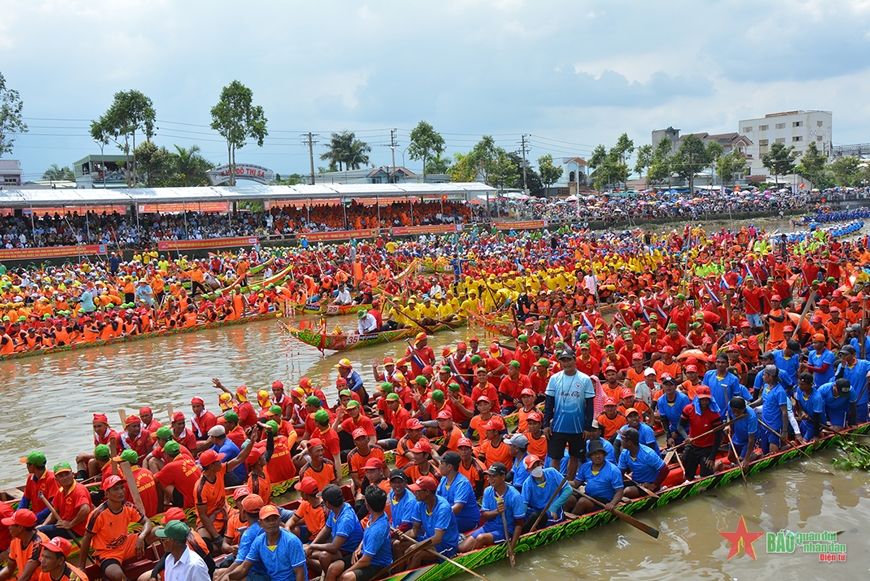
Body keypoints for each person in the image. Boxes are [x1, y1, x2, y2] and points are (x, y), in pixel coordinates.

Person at [79, 476, 154, 581]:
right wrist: (82, 566)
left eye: (122, 488)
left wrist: (141, 538)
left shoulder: (128, 506)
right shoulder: (98, 514)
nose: (121, 492)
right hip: (107, 553)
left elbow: (147, 523)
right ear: (107, 494)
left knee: (158, 531)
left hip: (126, 544)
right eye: (116, 489)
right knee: (117, 575)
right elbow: (86, 539)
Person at [544, 347, 596, 482]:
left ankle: (570, 483)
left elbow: (589, 405)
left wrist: (588, 427)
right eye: (563, 361)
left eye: (569, 360)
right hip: (557, 426)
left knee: (574, 456)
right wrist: (545, 424)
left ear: (575, 360)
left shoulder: (585, 379)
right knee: (555, 457)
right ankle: (553, 483)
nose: (566, 363)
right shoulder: (554, 378)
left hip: (578, 427)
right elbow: (548, 404)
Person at [457, 463, 525, 552]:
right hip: (490, 526)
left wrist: (512, 547)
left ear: (503, 477)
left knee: (481, 538)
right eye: (489, 476)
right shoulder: (487, 491)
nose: (489, 479)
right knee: (461, 548)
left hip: (506, 529)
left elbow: (519, 524)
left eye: (493, 476)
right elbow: (484, 515)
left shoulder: (515, 496)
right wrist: (497, 511)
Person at [227, 506, 307, 581]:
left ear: (280, 520)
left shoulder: (291, 541)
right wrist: (228, 576)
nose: (271, 523)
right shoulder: (259, 541)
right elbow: (244, 567)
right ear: (260, 523)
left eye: (274, 519)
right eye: (267, 520)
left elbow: (300, 573)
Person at [331, 486, 392, 581]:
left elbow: (365, 561)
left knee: (347, 577)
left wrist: (345, 573)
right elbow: (366, 536)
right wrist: (359, 547)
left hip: (378, 565)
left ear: (367, 505)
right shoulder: (376, 515)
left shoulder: (377, 530)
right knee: (333, 568)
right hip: (365, 555)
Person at [398, 475, 459, 568]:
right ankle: (398, 573)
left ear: (427, 492)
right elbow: (415, 531)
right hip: (427, 539)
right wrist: (402, 536)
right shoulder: (419, 504)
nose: (415, 493)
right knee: (397, 545)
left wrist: (417, 546)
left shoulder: (443, 508)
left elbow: (437, 538)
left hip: (445, 544)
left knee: (419, 553)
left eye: (418, 491)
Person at [306, 484, 363, 579]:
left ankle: (330, 577)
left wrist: (312, 546)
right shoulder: (335, 510)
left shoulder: (345, 519)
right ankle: (327, 575)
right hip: (341, 548)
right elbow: (327, 529)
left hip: (351, 552)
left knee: (324, 556)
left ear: (327, 503)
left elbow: (334, 547)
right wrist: (312, 545)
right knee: (307, 551)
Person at [566, 440, 624, 516]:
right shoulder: (585, 466)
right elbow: (576, 483)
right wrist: (563, 483)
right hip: (588, 496)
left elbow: (619, 491)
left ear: (604, 454)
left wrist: (612, 504)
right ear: (590, 456)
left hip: (604, 500)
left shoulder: (614, 470)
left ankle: (571, 520)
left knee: (583, 502)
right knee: (567, 499)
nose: (597, 456)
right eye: (594, 454)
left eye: (599, 453)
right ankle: (562, 518)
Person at [677, 386, 723, 481]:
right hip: (693, 445)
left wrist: (712, 456)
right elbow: (680, 426)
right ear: (697, 398)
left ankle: (718, 465)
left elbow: (718, 436)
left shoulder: (714, 413)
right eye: (702, 399)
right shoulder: (688, 409)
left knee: (705, 476)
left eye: (707, 399)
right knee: (689, 476)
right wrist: (686, 438)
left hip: (707, 447)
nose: (705, 402)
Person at [38, 463, 92, 540]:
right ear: (56, 479)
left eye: (67, 474)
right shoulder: (60, 491)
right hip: (65, 524)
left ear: (73, 474)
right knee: (39, 529)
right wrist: (44, 525)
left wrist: (70, 524)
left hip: (78, 529)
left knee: (40, 531)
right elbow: (55, 512)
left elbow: (85, 509)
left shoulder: (79, 490)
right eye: (61, 476)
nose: (65, 478)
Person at [520, 455, 571, 532]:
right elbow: (524, 504)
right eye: (533, 467)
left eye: (538, 464)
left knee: (535, 516)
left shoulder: (552, 472)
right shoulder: (527, 483)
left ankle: (521, 534)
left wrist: (554, 507)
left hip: (552, 510)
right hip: (537, 509)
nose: (537, 468)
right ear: (528, 470)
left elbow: (568, 489)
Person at [436, 452, 480, 534]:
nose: (439, 467)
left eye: (442, 464)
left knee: (439, 526)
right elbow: (436, 500)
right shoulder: (443, 480)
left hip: (466, 519)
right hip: (449, 516)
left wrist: (439, 515)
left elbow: (457, 508)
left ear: (449, 467)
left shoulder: (462, 483)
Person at [616, 428, 668, 497]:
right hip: (636, 482)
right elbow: (620, 472)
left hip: (649, 484)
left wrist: (653, 485)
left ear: (629, 443)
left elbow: (665, 469)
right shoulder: (624, 453)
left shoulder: (648, 454)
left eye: (622, 439)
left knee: (627, 491)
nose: (620, 441)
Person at [0, 509, 45, 581]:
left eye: (12, 525)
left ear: (20, 528)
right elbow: (9, 568)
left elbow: (27, 576)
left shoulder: (38, 543)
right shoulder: (15, 540)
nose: (9, 527)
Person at [19, 451, 59, 524]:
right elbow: (25, 499)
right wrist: (18, 514)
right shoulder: (30, 478)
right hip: (36, 516)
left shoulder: (51, 479)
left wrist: (37, 518)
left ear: (32, 466)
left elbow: (54, 505)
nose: (26, 466)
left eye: (27, 464)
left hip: (48, 518)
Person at [757, 365, 789, 455]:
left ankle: (785, 447)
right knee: (765, 452)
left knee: (773, 454)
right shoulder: (766, 386)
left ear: (770, 376)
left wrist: (784, 431)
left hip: (775, 427)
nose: (762, 377)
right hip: (764, 425)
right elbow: (762, 400)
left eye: (764, 375)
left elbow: (784, 412)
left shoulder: (780, 391)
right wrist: (750, 405)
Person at [285, 478, 325, 543]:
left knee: (305, 549)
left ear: (304, 494)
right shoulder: (305, 503)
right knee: (285, 531)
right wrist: (287, 529)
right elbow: (293, 519)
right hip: (309, 532)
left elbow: (324, 536)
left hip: (320, 539)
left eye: (300, 491)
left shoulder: (324, 510)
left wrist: (310, 546)